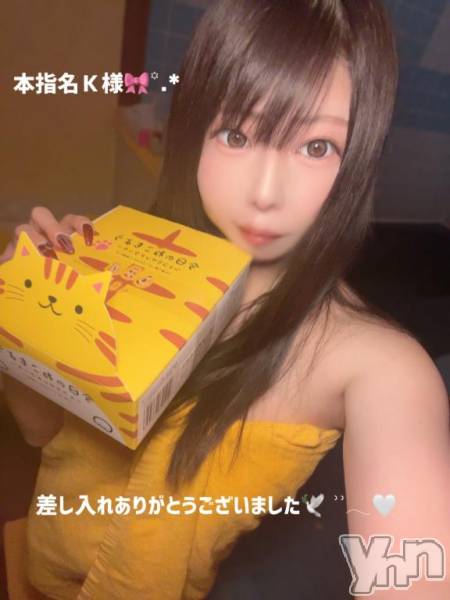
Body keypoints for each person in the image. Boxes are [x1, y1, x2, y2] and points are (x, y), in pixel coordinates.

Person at [1, 0, 449, 598]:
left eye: (316, 147)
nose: (265, 193)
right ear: (194, 131)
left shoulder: (377, 365)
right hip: (37, 572)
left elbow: (413, 571)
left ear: (359, 157)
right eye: (237, 134)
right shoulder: (127, 257)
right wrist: (28, 312)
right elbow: (41, 436)